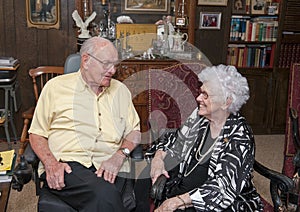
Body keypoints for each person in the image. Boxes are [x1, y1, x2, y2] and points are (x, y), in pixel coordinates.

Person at [28, 37, 141, 211]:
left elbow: (134, 131)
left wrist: (120, 155)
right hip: (68, 166)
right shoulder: (55, 88)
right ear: (86, 60)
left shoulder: (120, 91)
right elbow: (36, 133)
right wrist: (51, 164)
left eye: (115, 65)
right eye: (106, 64)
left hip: (110, 166)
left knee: (107, 193)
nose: (113, 70)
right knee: (105, 195)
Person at [134, 64, 263, 211]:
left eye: (206, 95)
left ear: (226, 102)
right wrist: (158, 159)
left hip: (217, 202)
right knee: (145, 177)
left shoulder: (239, 135)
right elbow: (173, 140)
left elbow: (221, 190)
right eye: (201, 92)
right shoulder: (199, 117)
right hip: (184, 182)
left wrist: (175, 202)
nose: (198, 98)